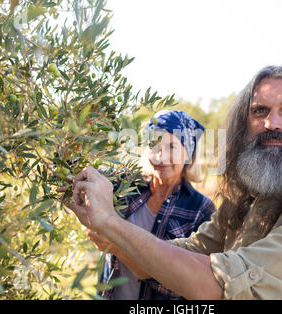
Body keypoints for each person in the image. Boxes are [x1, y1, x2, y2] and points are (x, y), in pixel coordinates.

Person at [62, 66, 282, 300]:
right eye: (259, 111)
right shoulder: (251, 201)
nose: (271, 123)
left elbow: (216, 284)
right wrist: (109, 232)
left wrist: (111, 223)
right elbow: (173, 259)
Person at [92, 110, 215, 300]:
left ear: (188, 154)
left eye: (172, 147)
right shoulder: (127, 186)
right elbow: (84, 178)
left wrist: (118, 248)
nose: (161, 156)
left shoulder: (201, 209)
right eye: (154, 145)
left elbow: (186, 285)